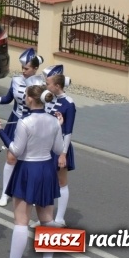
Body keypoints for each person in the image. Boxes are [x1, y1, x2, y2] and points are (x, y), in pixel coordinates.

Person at [0, 79, 63, 258]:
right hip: (46, 169)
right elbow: (58, 149)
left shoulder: (24, 122)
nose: (23, 97)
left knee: (21, 221)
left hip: (27, 169)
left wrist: (0, 131)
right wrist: (59, 127)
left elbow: (16, 151)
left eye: (25, 95)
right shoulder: (54, 121)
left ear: (31, 99)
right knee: (47, 220)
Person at [0, 47, 44, 207]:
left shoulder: (41, 84)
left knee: (30, 160)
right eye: (22, 68)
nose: (23, 71)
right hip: (15, 120)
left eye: (27, 68)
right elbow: (7, 99)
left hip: (33, 124)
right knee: (11, 158)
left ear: (35, 68)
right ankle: (5, 192)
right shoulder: (16, 80)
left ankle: (30, 192)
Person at [44, 65, 76, 227]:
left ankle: (60, 218)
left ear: (57, 86)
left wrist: (63, 153)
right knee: (45, 181)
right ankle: (45, 217)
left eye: (48, 83)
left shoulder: (69, 104)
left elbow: (68, 131)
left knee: (61, 181)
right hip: (45, 146)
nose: (46, 85)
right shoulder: (48, 98)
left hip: (60, 147)